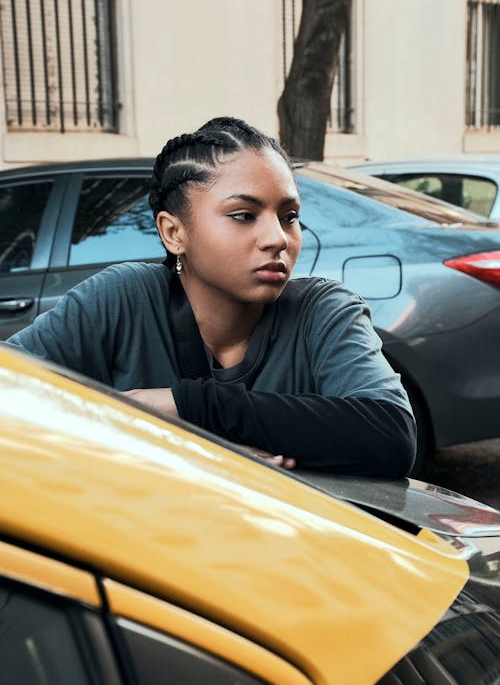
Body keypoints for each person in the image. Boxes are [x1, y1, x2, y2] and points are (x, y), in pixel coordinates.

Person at [6, 117, 416, 476]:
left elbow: (391, 434)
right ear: (173, 233)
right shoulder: (121, 300)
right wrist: (186, 448)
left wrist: (186, 407)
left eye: (289, 217)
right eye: (243, 215)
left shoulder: (321, 311)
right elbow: (11, 399)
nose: (277, 238)